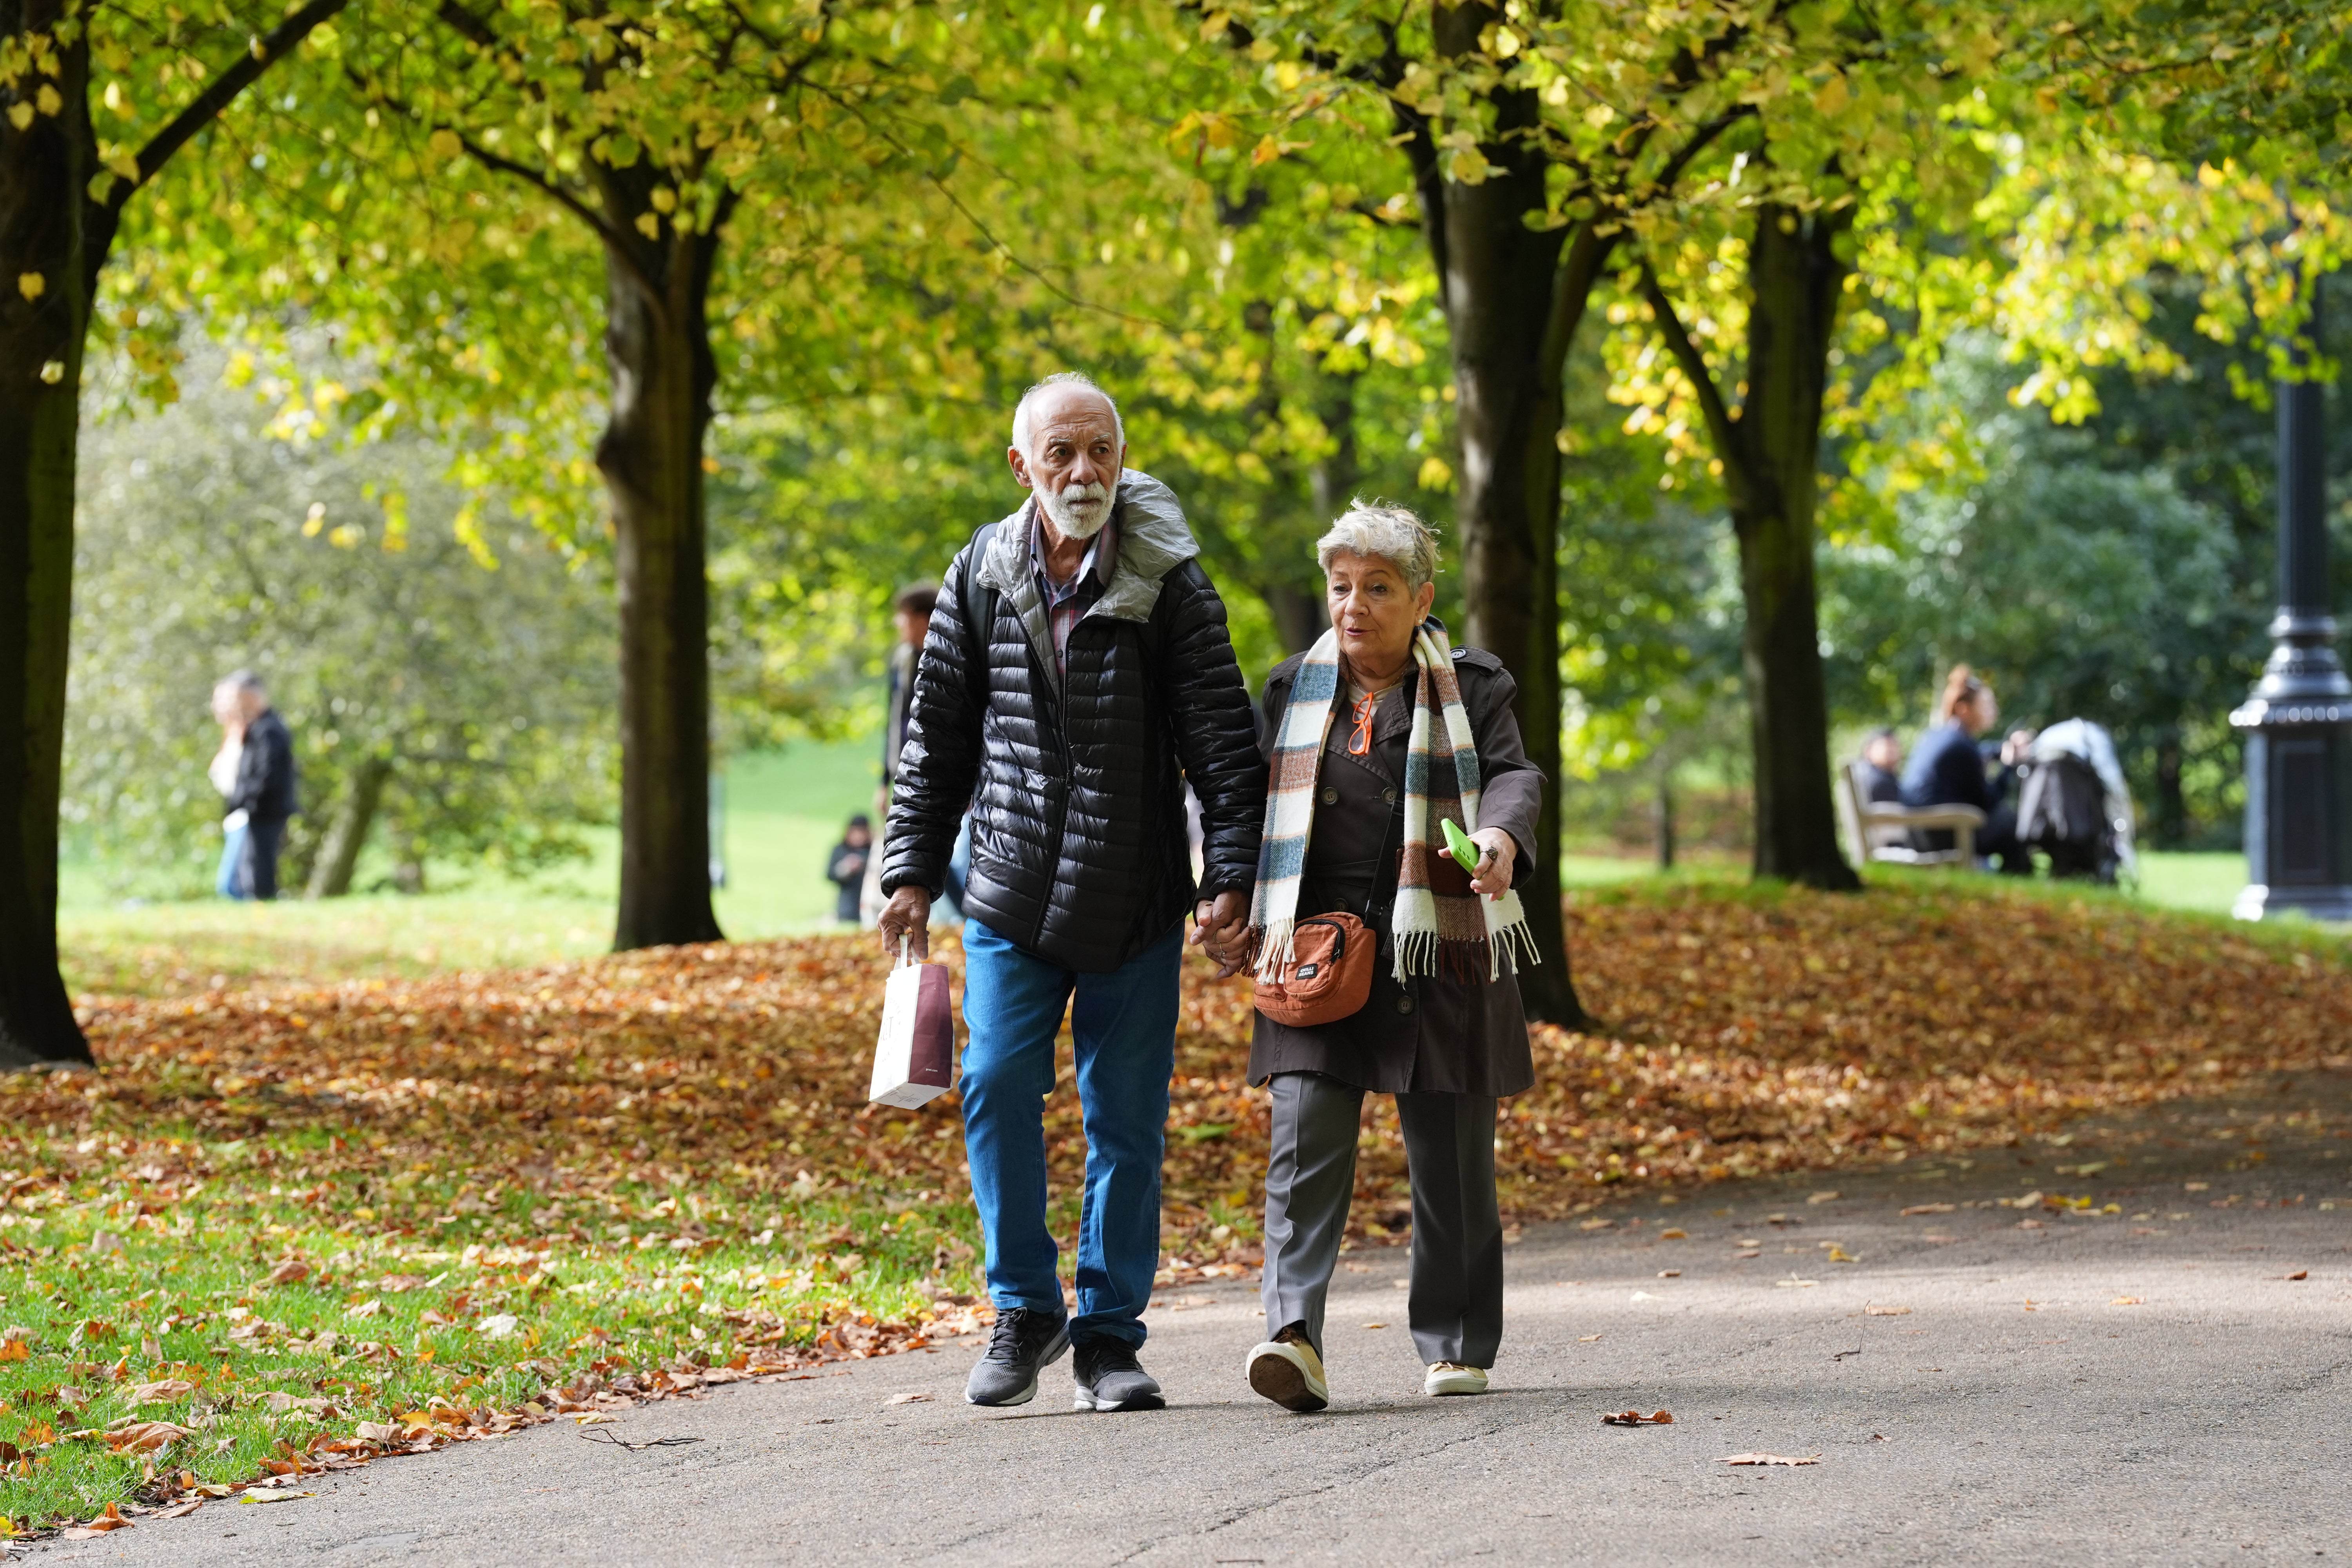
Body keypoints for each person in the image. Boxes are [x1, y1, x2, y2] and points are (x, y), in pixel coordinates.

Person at [878, 371, 1265, 1414]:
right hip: (1006, 891)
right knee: (997, 1083)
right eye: (1062, 453)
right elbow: (938, 741)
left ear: (1122, 460)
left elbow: (1224, 743)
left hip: (1136, 896)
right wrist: (912, 869)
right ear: (1023, 466)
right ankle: (1025, 1308)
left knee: (1126, 1122)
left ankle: (1107, 1339)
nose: (1083, 471)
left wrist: (1230, 874)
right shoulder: (981, 572)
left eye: (1100, 451)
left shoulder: (1172, 581)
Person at [1213, 502, 1543, 1414]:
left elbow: (1514, 773)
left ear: (1422, 596)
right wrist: (1231, 889)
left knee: (1450, 1158)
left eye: (1378, 587)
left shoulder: (1472, 686)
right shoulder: (1290, 688)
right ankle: (1292, 1337)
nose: (1353, 605)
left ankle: (1456, 1340)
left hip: (1438, 940)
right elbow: (1245, 803)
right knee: (1304, 1136)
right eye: (1341, 585)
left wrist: (1503, 838)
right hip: (1314, 946)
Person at [1900, 664, 2035, 873]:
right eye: (1987, 705)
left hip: (1921, 832)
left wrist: (2002, 750)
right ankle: (2019, 883)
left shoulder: (1940, 736)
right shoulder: (1962, 746)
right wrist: (2009, 767)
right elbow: (1987, 802)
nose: (1994, 711)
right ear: (1964, 709)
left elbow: (1979, 753)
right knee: (2011, 822)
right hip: (1945, 831)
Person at [219, 671, 297, 900]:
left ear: (251, 697)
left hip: (265, 811)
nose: (232, 705)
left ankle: (263, 916)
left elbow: (267, 775)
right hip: (258, 810)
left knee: (259, 871)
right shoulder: (258, 728)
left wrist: (244, 800)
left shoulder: (269, 730)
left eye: (236, 698)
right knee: (250, 870)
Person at [208, 682, 249, 899]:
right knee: (235, 884)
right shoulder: (231, 734)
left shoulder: (250, 731)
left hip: (246, 816)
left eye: (223, 701)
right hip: (234, 818)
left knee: (231, 885)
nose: (217, 707)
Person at [826, 816, 873, 924]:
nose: (859, 837)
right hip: (847, 906)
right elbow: (830, 875)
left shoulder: (873, 850)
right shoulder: (840, 849)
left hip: (869, 902)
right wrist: (846, 868)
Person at [1854, 727, 1905, 804]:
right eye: (1889, 747)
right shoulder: (1882, 783)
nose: (1895, 752)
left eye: (1896, 746)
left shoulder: (1860, 772)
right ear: (1869, 751)